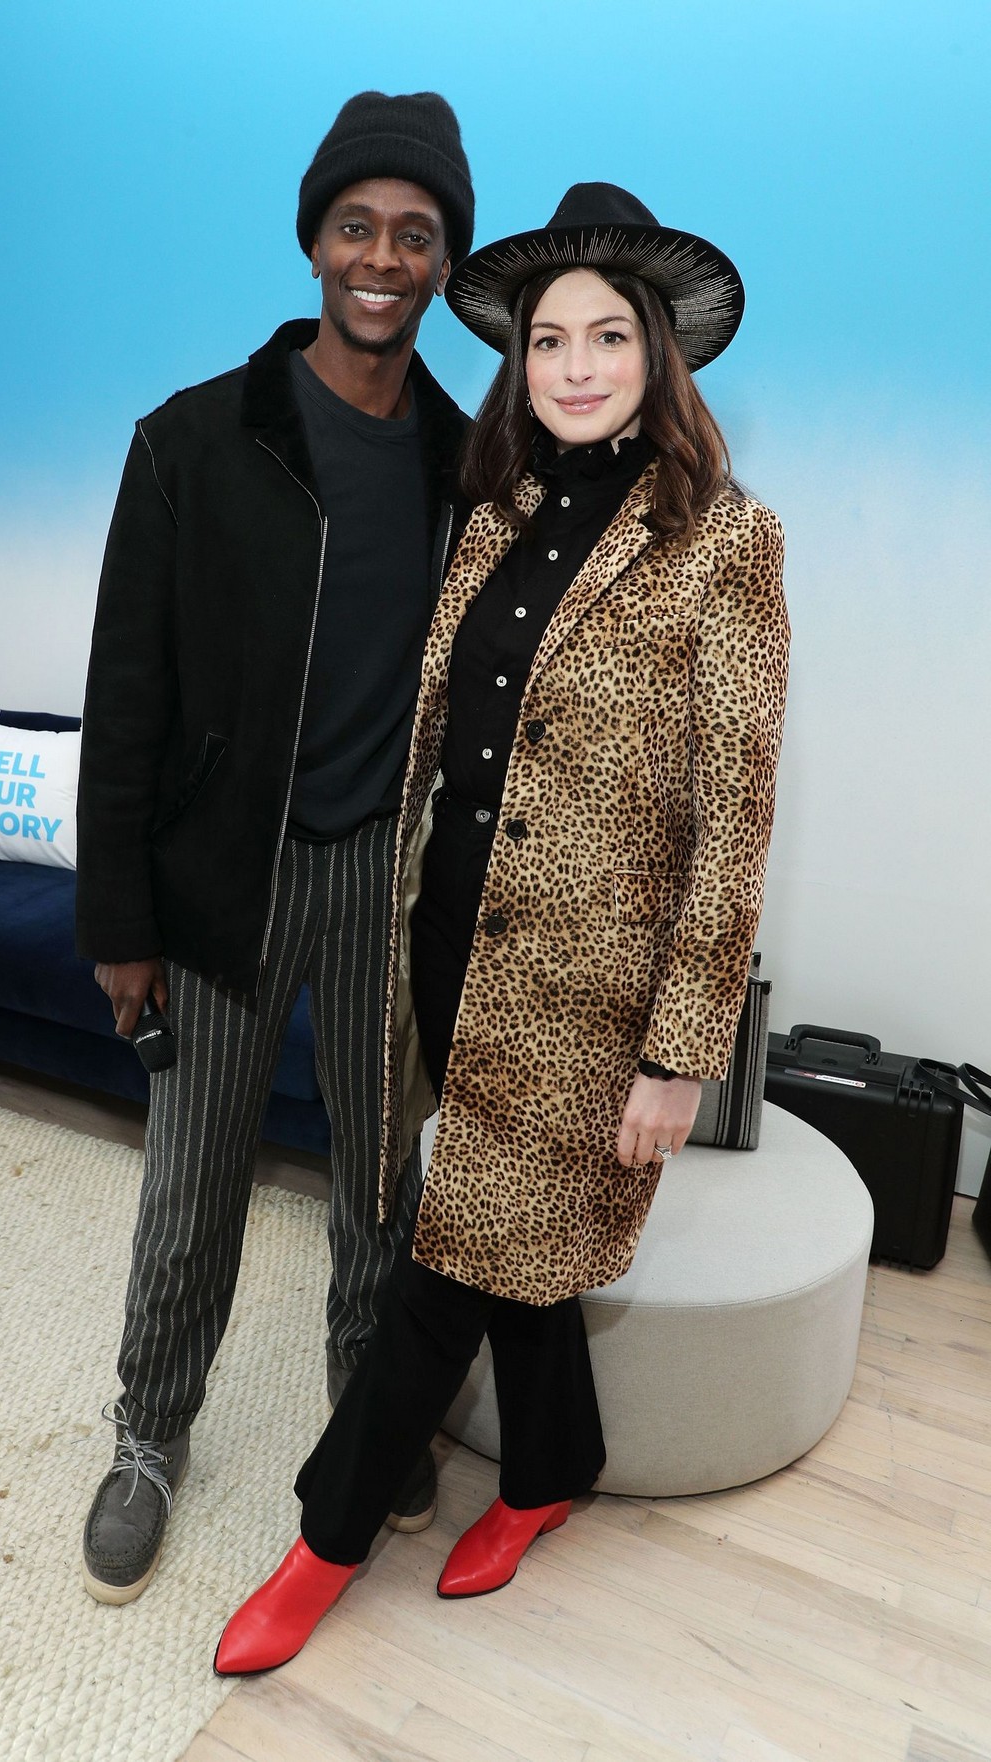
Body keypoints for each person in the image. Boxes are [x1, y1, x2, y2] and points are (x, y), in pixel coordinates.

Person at [214, 182, 790, 1674]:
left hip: (587, 1004)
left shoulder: (726, 544)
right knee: (516, 1256)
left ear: (660, 356)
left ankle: (321, 1542)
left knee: (442, 1266)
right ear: (518, 362)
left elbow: (733, 822)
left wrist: (680, 1053)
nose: (577, 365)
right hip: (448, 956)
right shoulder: (494, 513)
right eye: (549, 340)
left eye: (609, 336)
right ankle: (551, 1467)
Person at [75, 91, 475, 1605]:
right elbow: (127, 701)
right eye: (359, 226)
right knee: (197, 1181)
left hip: (387, 868)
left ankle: (368, 1416)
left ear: (444, 264)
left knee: (379, 1181)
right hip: (227, 877)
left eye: (416, 235)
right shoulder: (192, 442)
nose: (383, 257)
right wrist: (120, 920)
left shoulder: (461, 459)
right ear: (316, 240)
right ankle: (147, 1434)